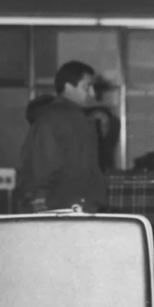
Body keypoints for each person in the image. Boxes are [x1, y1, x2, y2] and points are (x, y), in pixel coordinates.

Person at [16, 60, 107, 212]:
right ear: (68, 87)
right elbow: (45, 165)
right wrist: (41, 200)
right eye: (87, 87)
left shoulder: (66, 117)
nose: (92, 93)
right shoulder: (58, 119)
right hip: (63, 206)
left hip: (69, 205)